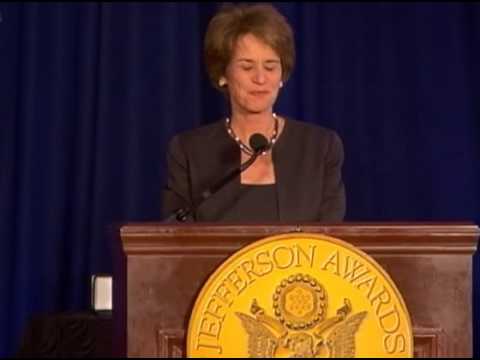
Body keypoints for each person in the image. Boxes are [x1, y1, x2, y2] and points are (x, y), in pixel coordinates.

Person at [162, 3, 345, 222]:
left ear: (281, 76)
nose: (260, 79)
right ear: (222, 73)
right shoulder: (188, 152)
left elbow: (329, 240)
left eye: (270, 67)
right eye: (247, 67)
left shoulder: (320, 148)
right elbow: (176, 239)